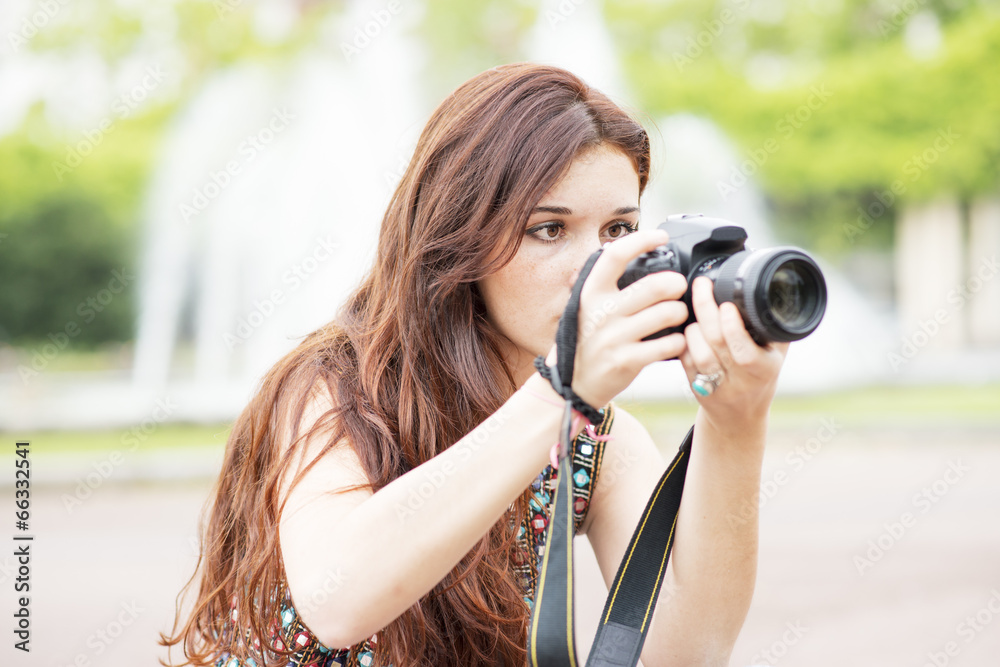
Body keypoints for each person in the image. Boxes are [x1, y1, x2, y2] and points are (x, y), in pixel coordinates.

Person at [160, 62, 788, 667]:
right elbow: (335, 602)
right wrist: (560, 396)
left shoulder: (600, 438)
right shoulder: (334, 386)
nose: (596, 267)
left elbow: (690, 652)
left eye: (618, 229)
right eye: (549, 229)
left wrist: (736, 419)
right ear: (459, 234)